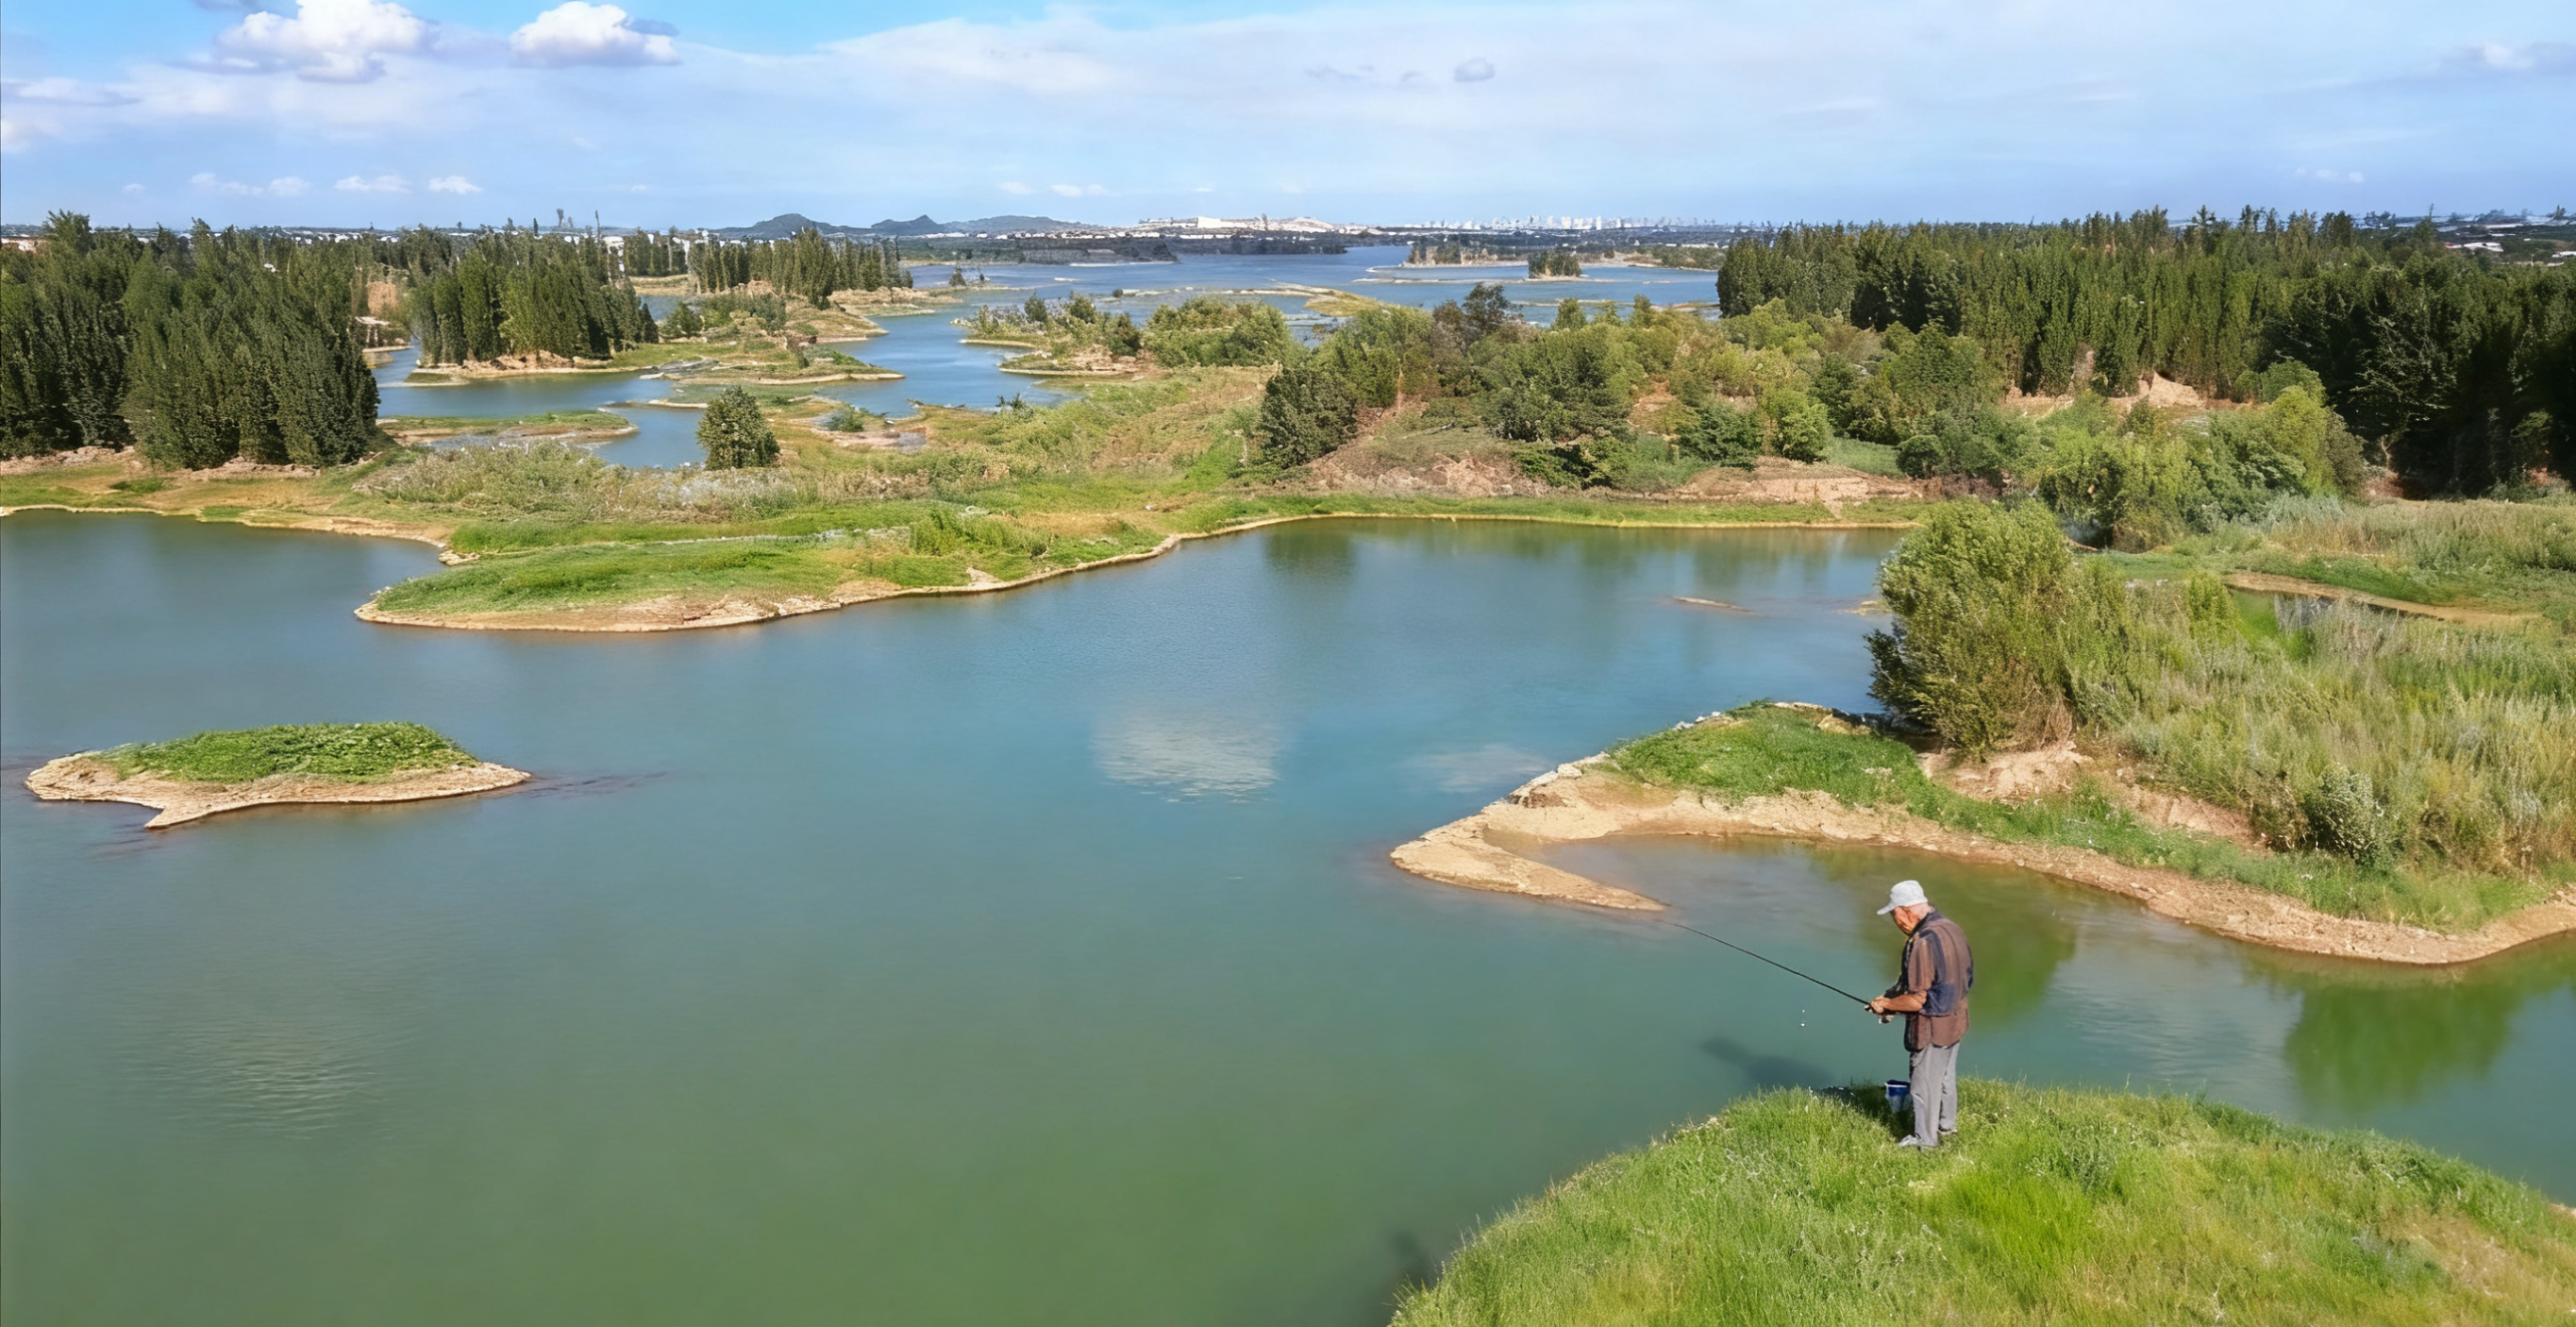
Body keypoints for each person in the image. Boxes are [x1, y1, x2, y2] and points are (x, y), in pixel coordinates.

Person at [1864, 880, 1972, 1149]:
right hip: (1956, 1019)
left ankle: (1924, 1141)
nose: (1896, 921)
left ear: (1904, 911)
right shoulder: (1952, 928)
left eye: (1894, 915)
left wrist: (1886, 1006)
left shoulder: (1923, 942)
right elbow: (1968, 978)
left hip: (1931, 1028)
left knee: (1923, 1085)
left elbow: (1917, 999)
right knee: (1945, 1077)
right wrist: (1890, 998)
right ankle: (1946, 1125)